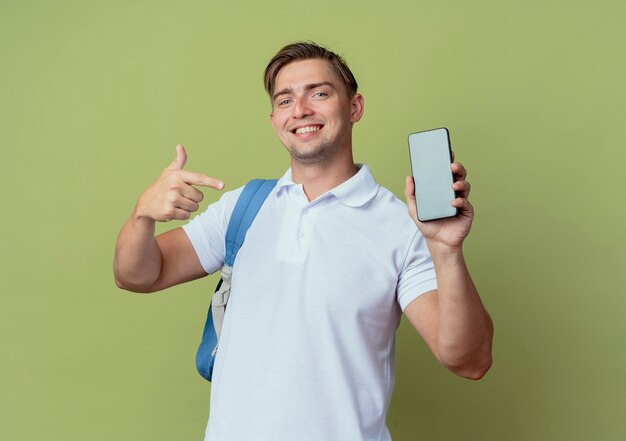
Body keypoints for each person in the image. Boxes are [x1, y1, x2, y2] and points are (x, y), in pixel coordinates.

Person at [113, 41, 493, 441]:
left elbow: (469, 360)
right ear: (275, 118)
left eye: (319, 93)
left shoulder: (401, 227)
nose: (301, 110)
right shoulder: (243, 207)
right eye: (285, 100)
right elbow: (137, 275)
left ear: (354, 107)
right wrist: (142, 215)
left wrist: (447, 251)